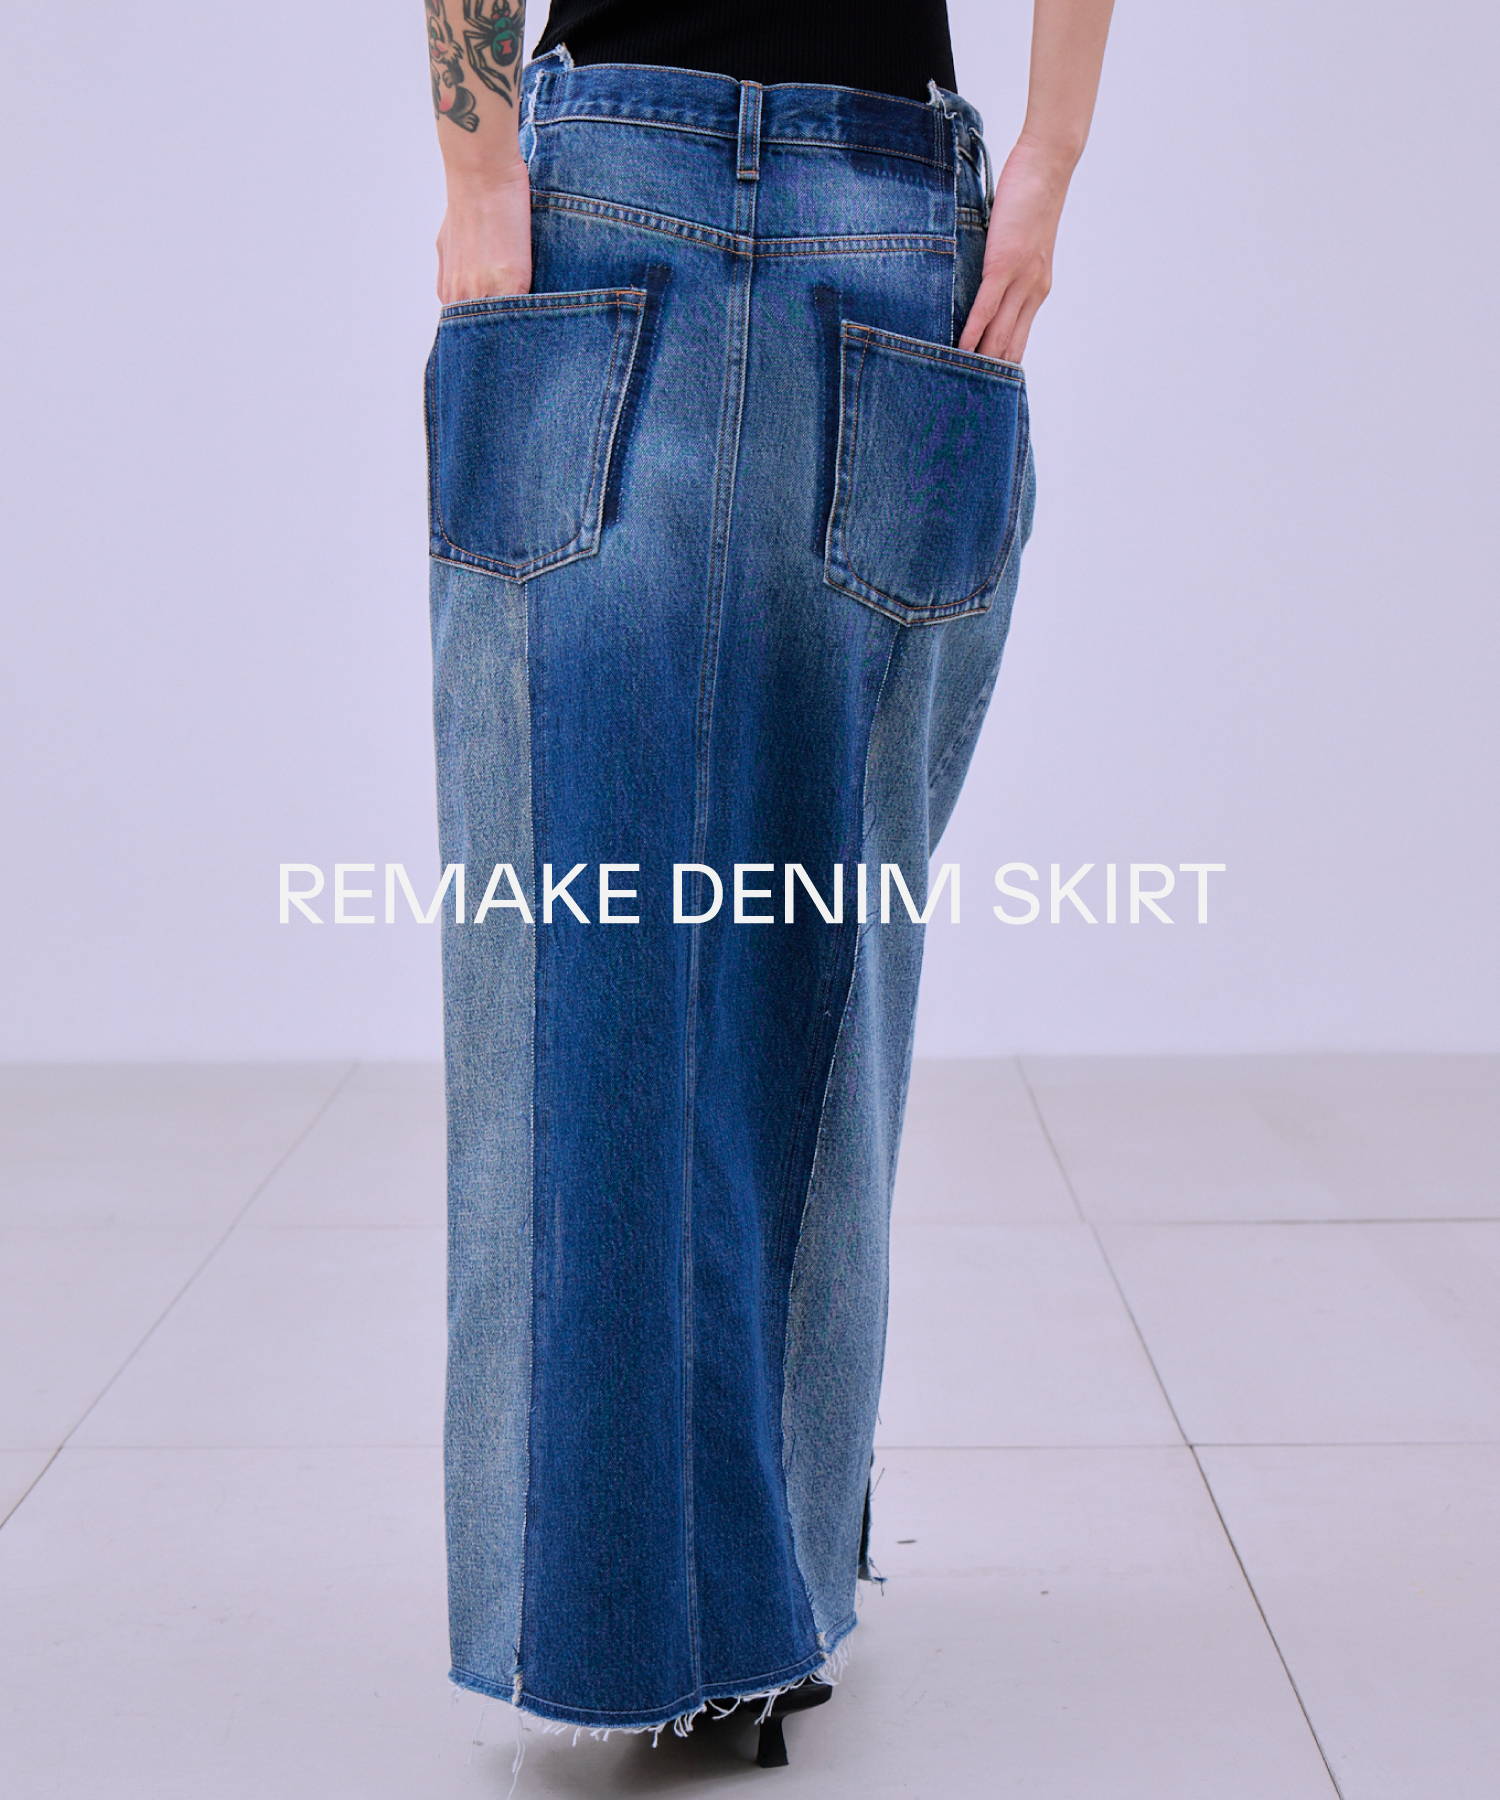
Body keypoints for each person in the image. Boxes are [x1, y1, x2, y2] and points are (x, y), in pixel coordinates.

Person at [422, 0, 1113, 1760]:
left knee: (775, 970)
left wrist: (1049, 160)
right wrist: (480, 169)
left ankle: (739, 1596)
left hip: (844, 217)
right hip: (646, 203)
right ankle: (683, 1608)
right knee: (636, 965)